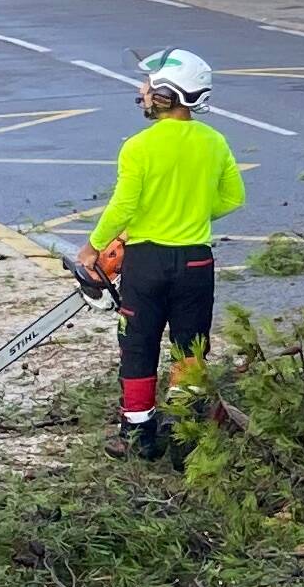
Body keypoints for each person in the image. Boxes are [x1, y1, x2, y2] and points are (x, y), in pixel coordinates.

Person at [90, 47, 241, 458]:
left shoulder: (139, 146)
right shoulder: (214, 141)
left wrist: (94, 246)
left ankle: (138, 436)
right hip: (196, 262)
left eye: (148, 85)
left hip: (146, 262)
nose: (141, 91)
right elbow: (233, 197)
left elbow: (122, 205)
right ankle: (183, 431)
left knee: (138, 344)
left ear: (166, 93)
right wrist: (190, 209)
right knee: (189, 346)